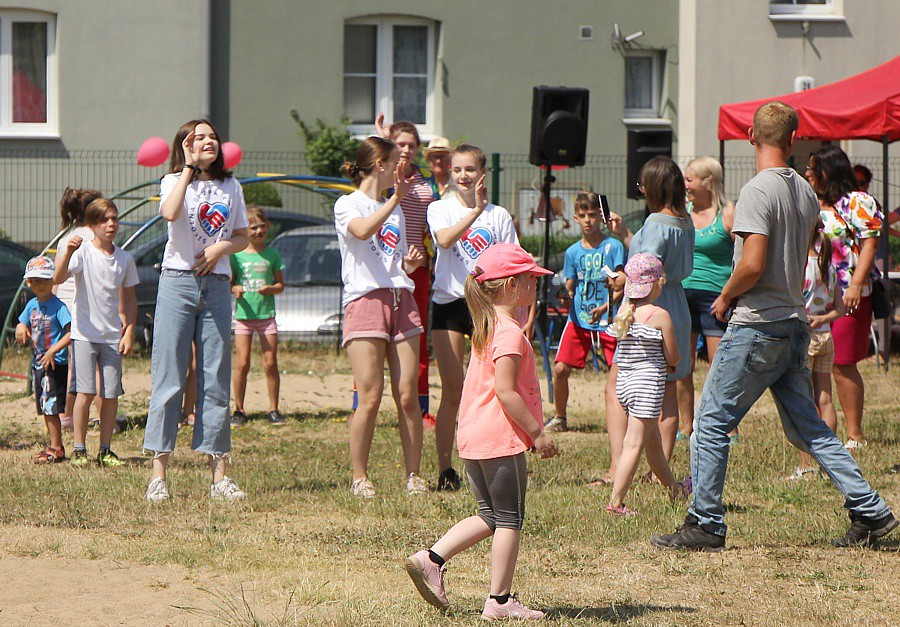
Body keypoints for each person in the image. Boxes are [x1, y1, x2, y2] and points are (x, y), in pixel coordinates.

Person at [650, 101, 897, 551]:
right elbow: (801, 254)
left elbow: (753, 263)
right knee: (810, 428)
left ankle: (705, 523)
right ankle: (871, 510)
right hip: (794, 322)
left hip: (757, 325)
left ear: (750, 137)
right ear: (793, 139)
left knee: (709, 422)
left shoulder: (756, 191)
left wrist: (725, 296)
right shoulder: (805, 191)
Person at [404, 242, 557, 620]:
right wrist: (537, 433)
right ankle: (500, 601)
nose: (536, 285)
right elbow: (506, 392)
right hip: (499, 439)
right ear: (510, 286)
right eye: (531, 279)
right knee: (509, 519)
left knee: (490, 515)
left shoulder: (487, 329)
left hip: (473, 437)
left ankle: (431, 559)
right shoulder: (509, 334)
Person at [143, 119, 250, 502]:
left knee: (216, 378)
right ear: (184, 144)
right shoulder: (173, 180)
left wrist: (223, 247)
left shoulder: (231, 186)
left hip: (217, 285)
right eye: (198, 137)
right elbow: (170, 214)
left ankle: (219, 477)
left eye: (212, 137)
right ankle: (158, 476)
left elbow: (242, 236)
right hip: (177, 282)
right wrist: (188, 168)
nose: (208, 141)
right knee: (169, 376)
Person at [335, 136, 427, 498]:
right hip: (365, 301)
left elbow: (391, 259)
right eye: (395, 162)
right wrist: (394, 200)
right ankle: (360, 477)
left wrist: (408, 266)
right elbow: (361, 231)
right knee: (370, 395)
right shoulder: (348, 204)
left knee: (408, 395)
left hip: (401, 297)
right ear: (380, 165)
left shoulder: (395, 207)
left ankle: (414, 475)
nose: (400, 168)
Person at [426, 143, 519, 491]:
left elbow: (512, 259)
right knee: (453, 391)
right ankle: (446, 469)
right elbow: (445, 240)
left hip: (487, 306)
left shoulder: (500, 215)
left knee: (495, 389)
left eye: (470, 169)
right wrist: (476, 211)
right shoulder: (440, 208)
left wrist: (520, 309)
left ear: (483, 173)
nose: (463, 176)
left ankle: (494, 462)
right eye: (457, 170)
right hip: (449, 303)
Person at [604, 157, 694, 483]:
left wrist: (620, 280)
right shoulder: (685, 220)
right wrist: (626, 235)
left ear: (653, 186)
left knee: (616, 386)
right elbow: (654, 260)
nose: (640, 189)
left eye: (642, 184)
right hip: (676, 307)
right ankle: (661, 472)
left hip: (646, 308)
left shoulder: (655, 222)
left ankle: (617, 466)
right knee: (668, 391)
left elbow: (647, 270)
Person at [53, 198, 138, 467]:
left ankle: (105, 449)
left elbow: (130, 299)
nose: (111, 224)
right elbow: (57, 278)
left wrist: (129, 331)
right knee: (85, 393)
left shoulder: (124, 258)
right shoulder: (83, 253)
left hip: (111, 336)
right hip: (84, 335)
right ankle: (79, 449)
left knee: (110, 394)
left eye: (114, 218)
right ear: (91, 225)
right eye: (104, 220)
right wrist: (67, 251)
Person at [809, 147, 884, 450]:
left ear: (829, 169)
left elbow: (870, 246)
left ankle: (855, 434)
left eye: (813, 168)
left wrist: (855, 285)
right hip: (814, 295)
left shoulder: (858, 201)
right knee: (814, 365)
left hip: (851, 294)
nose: (808, 173)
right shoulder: (810, 202)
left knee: (842, 363)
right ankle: (820, 433)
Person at [606, 254, 690, 515]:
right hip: (647, 388)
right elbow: (673, 356)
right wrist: (672, 363)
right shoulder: (660, 315)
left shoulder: (624, 312)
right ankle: (616, 503)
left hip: (626, 386)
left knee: (653, 445)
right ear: (656, 284)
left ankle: (674, 489)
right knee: (633, 444)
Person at [375, 115, 438, 422]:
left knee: (417, 335)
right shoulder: (382, 176)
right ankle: (362, 405)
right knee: (375, 336)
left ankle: (421, 408)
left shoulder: (426, 182)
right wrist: (381, 141)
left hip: (418, 266)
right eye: (400, 144)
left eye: (412, 145)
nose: (406, 150)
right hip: (384, 266)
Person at [545, 192, 625, 433]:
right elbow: (570, 285)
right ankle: (560, 417)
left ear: (600, 217)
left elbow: (622, 284)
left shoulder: (613, 246)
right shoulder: (572, 252)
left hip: (609, 320)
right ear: (575, 219)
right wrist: (565, 295)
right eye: (582, 215)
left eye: (592, 215)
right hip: (579, 319)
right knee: (560, 369)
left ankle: (623, 417)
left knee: (619, 372)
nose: (588, 220)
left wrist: (606, 306)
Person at [676, 157, 735, 442]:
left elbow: (742, 255)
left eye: (689, 179)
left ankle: (727, 426)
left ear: (707, 181)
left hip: (716, 298)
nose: (685, 185)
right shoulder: (682, 212)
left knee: (718, 366)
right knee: (682, 364)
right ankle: (686, 426)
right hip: (683, 295)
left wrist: (730, 294)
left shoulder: (728, 212)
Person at [788, 226, 843, 479]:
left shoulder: (800, 266)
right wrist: (822, 319)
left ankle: (806, 465)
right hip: (826, 336)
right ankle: (829, 462)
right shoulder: (828, 266)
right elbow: (840, 309)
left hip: (805, 337)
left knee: (804, 401)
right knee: (825, 400)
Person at [230, 206, 286, 425]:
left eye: (262, 226)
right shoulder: (237, 256)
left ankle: (273, 408)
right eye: (253, 228)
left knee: (270, 362)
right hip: (244, 316)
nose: (258, 231)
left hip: (266, 317)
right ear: (245, 230)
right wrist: (234, 289)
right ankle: (239, 409)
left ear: (268, 226)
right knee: (242, 363)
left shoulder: (272, 254)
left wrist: (271, 289)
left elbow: (280, 285)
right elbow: (230, 283)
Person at [54, 187, 102, 430]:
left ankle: (66, 414)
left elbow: (56, 278)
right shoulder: (94, 238)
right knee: (95, 366)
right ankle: (102, 414)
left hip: (65, 309)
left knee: (75, 365)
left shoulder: (66, 237)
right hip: (83, 310)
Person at [16, 257, 71, 464]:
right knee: (45, 406)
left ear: (52, 281)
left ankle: (57, 447)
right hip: (39, 363)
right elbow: (22, 322)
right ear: (28, 283)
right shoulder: (32, 305)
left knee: (51, 406)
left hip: (54, 364)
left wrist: (53, 351)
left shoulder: (59, 307)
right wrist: (21, 327)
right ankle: (54, 445)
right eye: (36, 281)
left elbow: (70, 333)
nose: (41, 285)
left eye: (45, 280)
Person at [424, 136, 457, 201]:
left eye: (442, 157)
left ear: (450, 158)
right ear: (428, 159)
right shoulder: (422, 182)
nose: (438, 161)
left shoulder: (457, 182)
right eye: (435, 157)